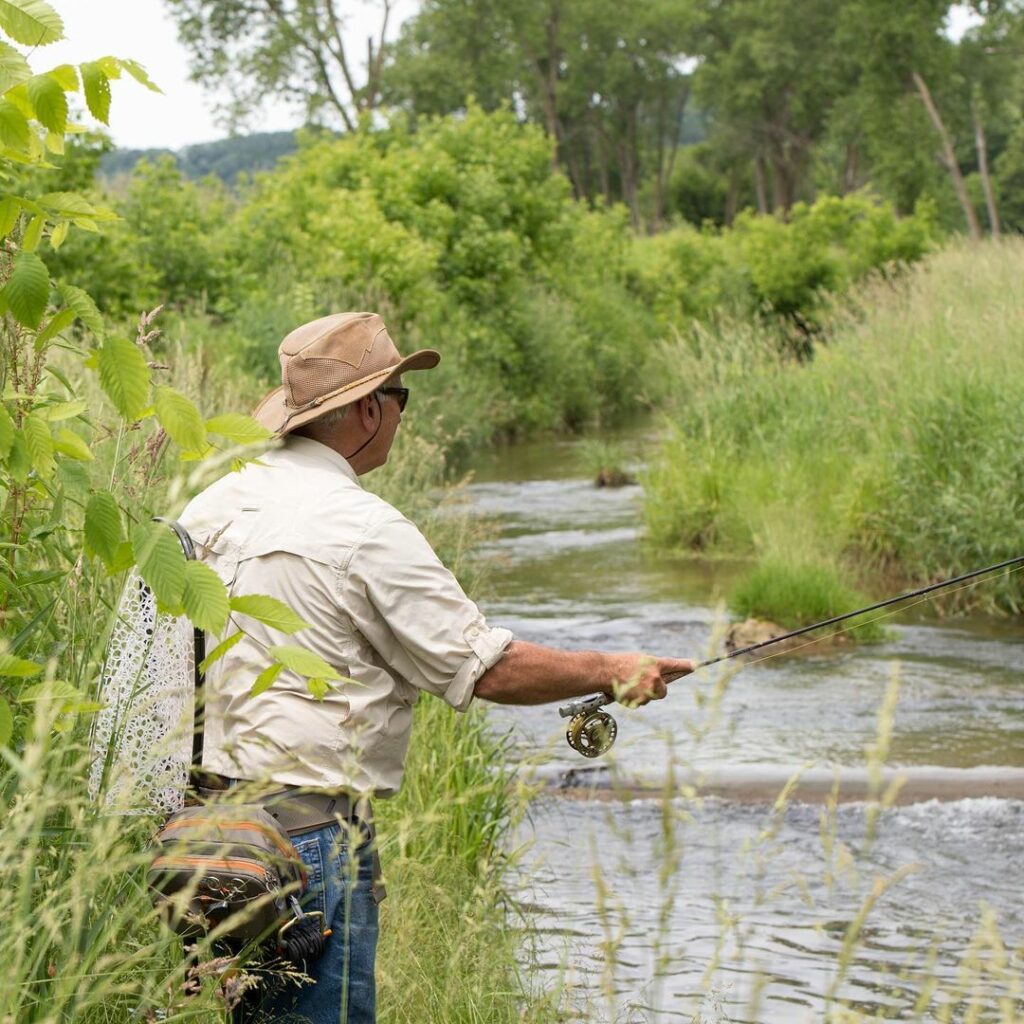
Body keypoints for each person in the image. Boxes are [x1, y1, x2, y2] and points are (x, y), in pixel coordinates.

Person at [178, 311, 693, 1023]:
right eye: (401, 400)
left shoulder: (209, 506)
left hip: (197, 840)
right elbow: (488, 669)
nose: (401, 417)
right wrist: (613, 669)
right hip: (307, 848)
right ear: (366, 411)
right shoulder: (363, 527)